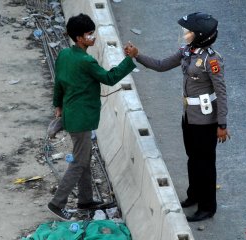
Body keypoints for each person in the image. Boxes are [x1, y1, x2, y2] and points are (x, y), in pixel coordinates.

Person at [124, 12, 229, 222]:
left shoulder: (212, 60)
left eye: (189, 31)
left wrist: (222, 125)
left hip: (206, 121)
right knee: (193, 159)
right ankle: (194, 195)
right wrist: (137, 55)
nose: (185, 34)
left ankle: (208, 206)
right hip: (189, 117)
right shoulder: (187, 52)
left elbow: (222, 93)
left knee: (205, 163)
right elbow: (162, 65)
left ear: (200, 35)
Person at [47, 13, 138, 221]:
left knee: (84, 158)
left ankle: (85, 199)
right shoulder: (86, 61)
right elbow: (109, 77)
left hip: (71, 114)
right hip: (81, 119)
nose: (93, 37)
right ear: (79, 38)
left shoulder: (64, 55)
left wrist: (58, 105)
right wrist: (129, 59)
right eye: (89, 34)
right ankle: (56, 203)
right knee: (79, 162)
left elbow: (58, 82)